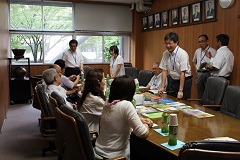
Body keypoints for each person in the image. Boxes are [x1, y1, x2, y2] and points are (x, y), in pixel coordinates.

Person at [95, 75, 153, 159]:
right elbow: (142, 133)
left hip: (98, 152)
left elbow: (117, 118)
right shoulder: (126, 105)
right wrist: (147, 125)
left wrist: (140, 120)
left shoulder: (108, 102)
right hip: (115, 156)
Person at [158, 32, 192, 100]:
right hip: (173, 80)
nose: (168, 45)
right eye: (166, 43)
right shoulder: (165, 54)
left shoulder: (182, 54)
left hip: (184, 81)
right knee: (171, 100)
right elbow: (164, 70)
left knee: (182, 102)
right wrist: (162, 86)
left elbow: (183, 73)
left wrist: (180, 90)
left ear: (176, 42)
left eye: (170, 43)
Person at [192, 34, 216, 99]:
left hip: (208, 73)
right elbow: (194, 61)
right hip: (199, 73)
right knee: (199, 91)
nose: (201, 43)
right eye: (199, 42)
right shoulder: (197, 51)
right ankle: (201, 105)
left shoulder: (213, 51)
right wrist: (196, 69)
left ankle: (207, 107)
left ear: (207, 41)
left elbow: (215, 63)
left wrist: (210, 58)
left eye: (202, 41)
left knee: (208, 91)